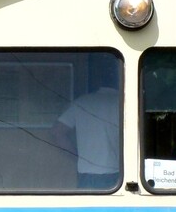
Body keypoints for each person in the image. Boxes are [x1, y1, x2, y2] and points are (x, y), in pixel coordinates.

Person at [51, 58, 122, 189]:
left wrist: (77, 156)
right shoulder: (124, 104)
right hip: (118, 172)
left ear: (99, 81)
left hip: (86, 172)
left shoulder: (82, 102)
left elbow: (58, 132)